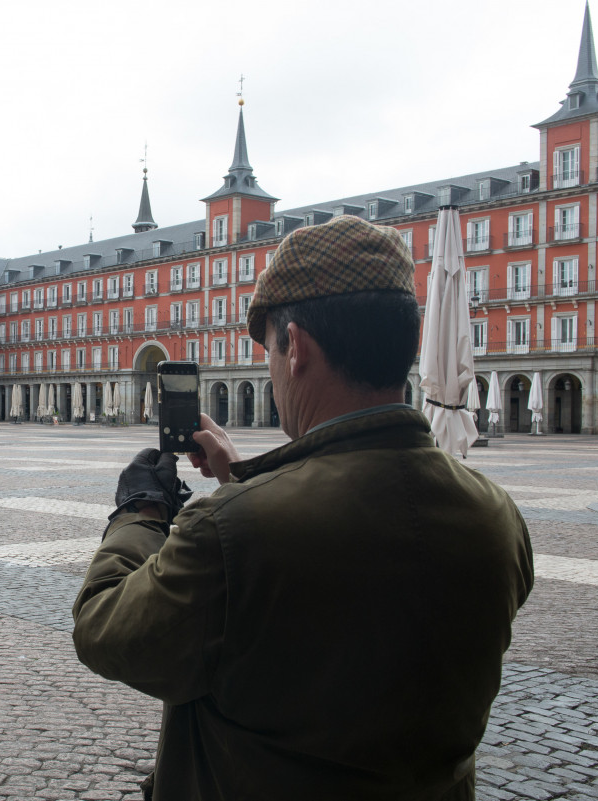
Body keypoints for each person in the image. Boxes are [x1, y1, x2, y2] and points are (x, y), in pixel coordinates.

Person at [72, 215, 534, 801]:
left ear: (298, 350)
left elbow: (104, 630)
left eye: (268, 349)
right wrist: (242, 479)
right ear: (410, 342)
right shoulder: (496, 517)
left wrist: (140, 511)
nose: (269, 366)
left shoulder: (233, 532)